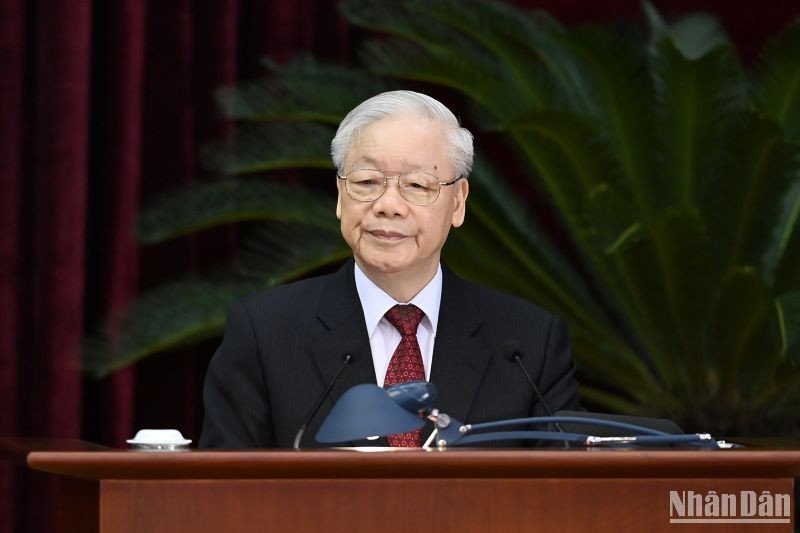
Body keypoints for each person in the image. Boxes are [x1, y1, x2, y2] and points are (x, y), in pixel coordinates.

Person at [199, 90, 580, 448]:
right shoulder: (265, 332)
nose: (388, 205)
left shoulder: (528, 344)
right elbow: (223, 495)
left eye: (417, 185)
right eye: (367, 182)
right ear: (340, 195)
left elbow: (565, 496)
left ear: (458, 202)